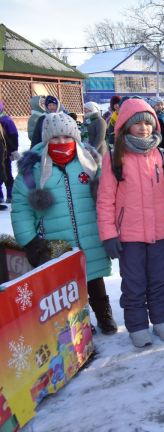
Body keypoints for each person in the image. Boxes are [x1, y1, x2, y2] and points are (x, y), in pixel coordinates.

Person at [12, 112, 117, 334]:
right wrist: (30, 241)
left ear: (76, 139)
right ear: (46, 140)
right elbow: (21, 208)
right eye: (55, 138)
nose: (62, 143)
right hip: (56, 240)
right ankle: (80, 322)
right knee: (67, 287)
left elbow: (107, 195)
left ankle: (104, 314)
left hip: (90, 235)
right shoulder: (33, 170)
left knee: (95, 278)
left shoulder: (89, 163)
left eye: (67, 138)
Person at [96, 99, 164, 347]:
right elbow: (105, 200)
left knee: (159, 279)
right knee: (134, 283)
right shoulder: (115, 158)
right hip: (129, 235)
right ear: (125, 126)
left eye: (148, 122)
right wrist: (108, 234)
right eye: (138, 124)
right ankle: (137, 326)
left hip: (158, 233)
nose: (144, 128)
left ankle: (161, 320)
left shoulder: (161, 156)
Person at [0, 100, 19, 205]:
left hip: (5, 153)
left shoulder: (6, 120)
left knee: (7, 172)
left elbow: (13, 136)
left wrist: (13, 149)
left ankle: (10, 194)